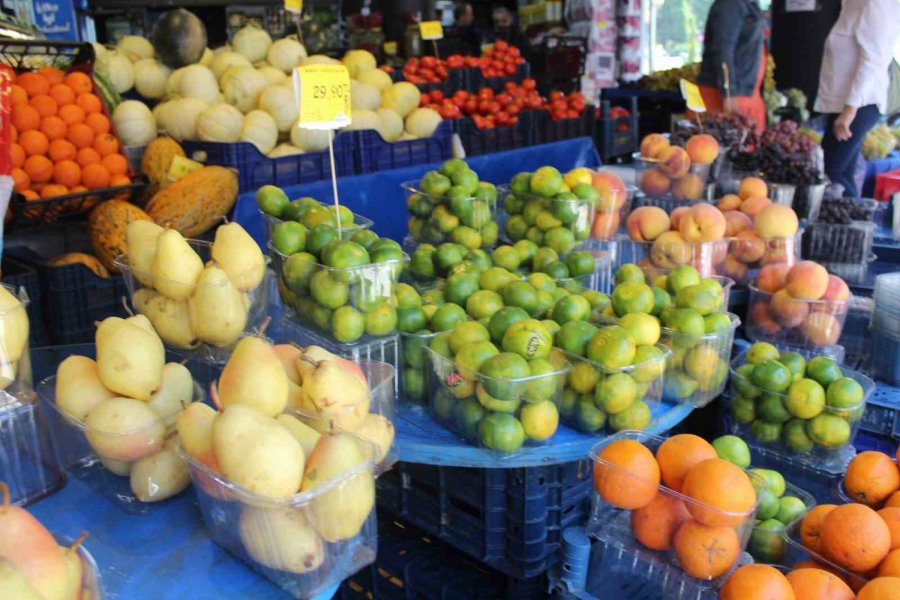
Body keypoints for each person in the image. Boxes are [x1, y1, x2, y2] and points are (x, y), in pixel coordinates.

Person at [815, 0, 899, 199]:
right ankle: (853, 226)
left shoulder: (876, 4)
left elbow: (874, 60)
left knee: (830, 173)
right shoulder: (854, 4)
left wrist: (850, 110)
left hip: (859, 105)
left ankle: (843, 226)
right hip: (846, 104)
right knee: (841, 176)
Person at [696, 0, 767, 132]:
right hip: (726, 98)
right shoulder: (730, 4)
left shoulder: (749, 5)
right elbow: (723, 49)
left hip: (747, 95)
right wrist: (729, 93)